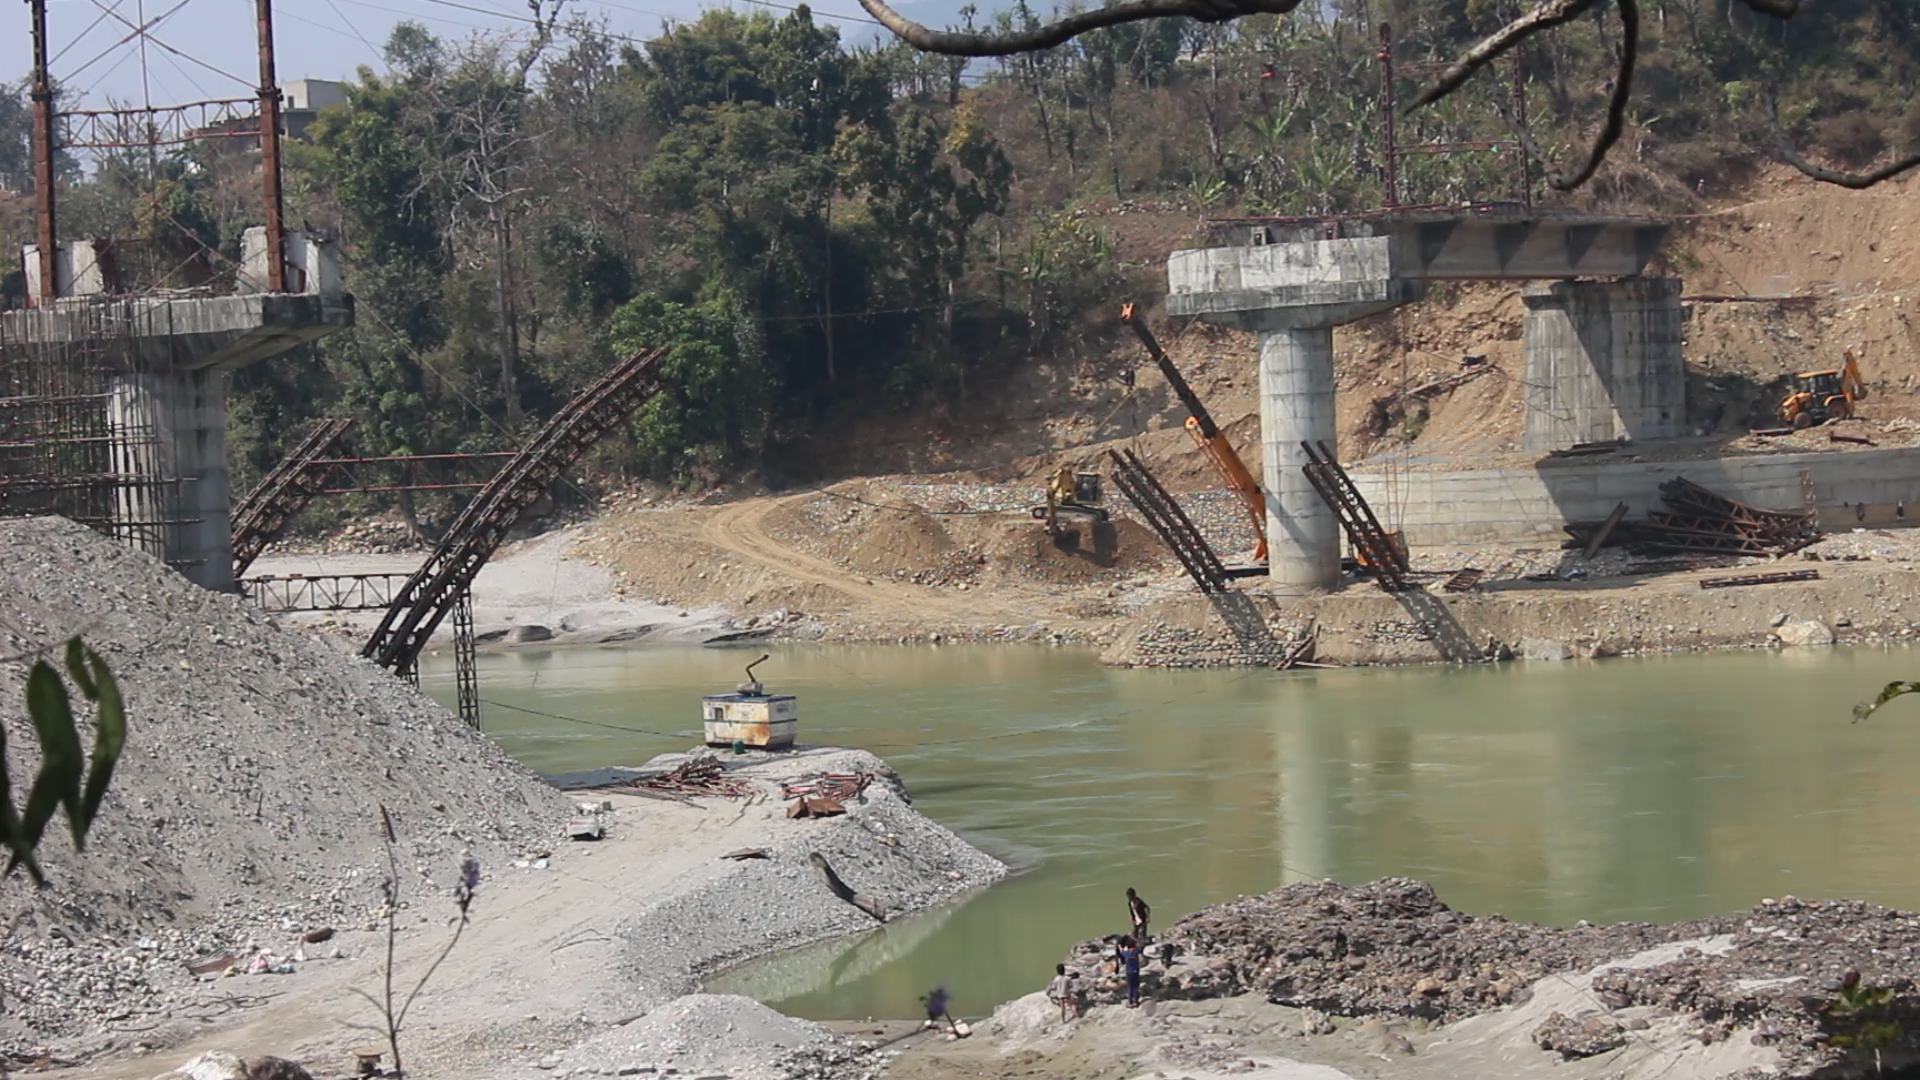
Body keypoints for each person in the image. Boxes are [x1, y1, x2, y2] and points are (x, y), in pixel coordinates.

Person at [1114, 936, 1143, 1008]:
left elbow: (1121, 950)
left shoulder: (1126, 953)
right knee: (1136, 986)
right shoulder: (1136, 951)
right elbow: (1140, 946)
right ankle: (1136, 1001)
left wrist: (1119, 945)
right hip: (1136, 971)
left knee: (1130, 987)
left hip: (1129, 972)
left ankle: (1130, 1002)